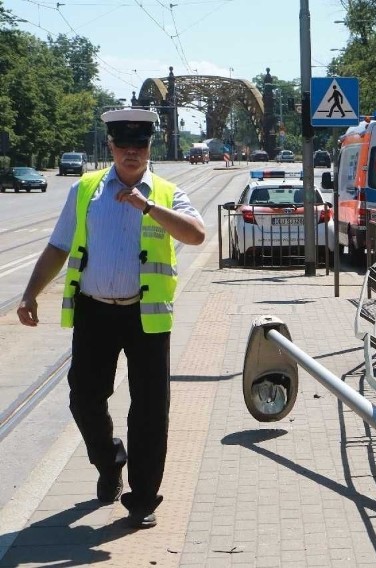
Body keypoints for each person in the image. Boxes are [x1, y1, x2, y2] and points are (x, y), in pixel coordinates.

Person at [16, 108, 206, 529]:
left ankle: (142, 500)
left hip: (147, 317)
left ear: (151, 146)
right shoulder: (84, 191)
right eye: (124, 145)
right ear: (111, 146)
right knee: (84, 397)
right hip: (95, 313)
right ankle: (109, 460)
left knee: (151, 411)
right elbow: (58, 247)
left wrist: (148, 206)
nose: (132, 152)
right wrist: (31, 293)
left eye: (140, 145)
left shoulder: (167, 192)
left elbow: (196, 234)